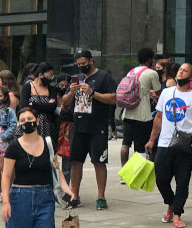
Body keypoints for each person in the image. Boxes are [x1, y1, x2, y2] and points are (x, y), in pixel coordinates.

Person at [2, 107, 69, 228]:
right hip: (19, 197)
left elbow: (57, 170)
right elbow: (6, 176)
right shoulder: (14, 147)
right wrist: (5, 201)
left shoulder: (47, 144)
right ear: (19, 124)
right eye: (22, 120)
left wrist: (68, 189)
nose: (26, 122)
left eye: (29, 118)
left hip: (45, 196)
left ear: (37, 121)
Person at [146, 63, 192, 228]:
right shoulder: (166, 92)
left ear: (191, 77)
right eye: (180, 70)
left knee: (182, 180)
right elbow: (158, 117)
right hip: (164, 143)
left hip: (185, 144)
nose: (181, 72)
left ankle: (177, 213)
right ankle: (171, 204)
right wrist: (152, 139)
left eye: (185, 71)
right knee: (161, 178)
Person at [62, 50, 118, 210]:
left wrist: (92, 93)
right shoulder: (77, 78)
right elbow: (65, 103)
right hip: (78, 126)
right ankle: (75, 195)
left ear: (91, 61)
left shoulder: (103, 77)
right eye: (78, 64)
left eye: (83, 64)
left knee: (99, 161)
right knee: (76, 161)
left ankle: (101, 196)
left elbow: (113, 98)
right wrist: (71, 92)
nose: (81, 67)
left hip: (97, 126)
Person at [120, 48, 162, 171]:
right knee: (141, 146)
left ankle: (124, 171)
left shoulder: (131, 71)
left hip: (127, 113)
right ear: (150, 59)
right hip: (143, 116)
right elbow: (158, 91)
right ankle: (137, 172)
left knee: (125, 144)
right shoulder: (151, 73)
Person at [20, 62, 57, 142]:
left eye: (52, 77)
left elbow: (52, 107)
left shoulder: (51, 89)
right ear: (40, 75)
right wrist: (46, 105)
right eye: (49, 76)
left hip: (47, 126)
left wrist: (34, 104)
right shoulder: (27, 87)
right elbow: (24, 107)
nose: (50, 79)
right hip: (30, 124)